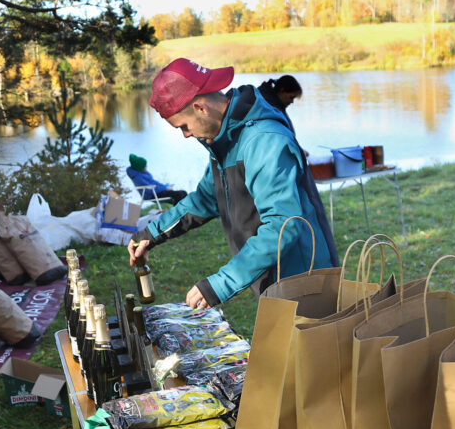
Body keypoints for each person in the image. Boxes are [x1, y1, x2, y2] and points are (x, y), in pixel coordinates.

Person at [129, 59, 337, 309]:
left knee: (312, 348)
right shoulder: (225, 139)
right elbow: (207, 198)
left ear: (200, 107)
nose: (186, 135)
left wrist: (221, 283)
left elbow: (283, 226)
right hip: (272, 277)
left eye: (184, 126)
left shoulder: (263, 141)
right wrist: (152, 234)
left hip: (303, 280)